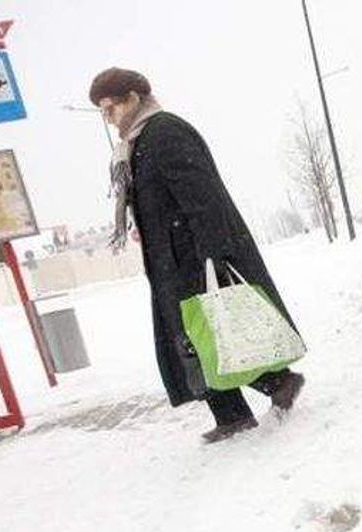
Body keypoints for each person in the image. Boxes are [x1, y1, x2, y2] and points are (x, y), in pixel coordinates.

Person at [89, 68, 305, 444]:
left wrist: (214, 253)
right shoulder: (138, 143)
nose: (108, 118)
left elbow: (203, 198)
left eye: (110, 108)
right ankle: (231, 414)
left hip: (191, 255)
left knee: (211, 331)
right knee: (193, 339)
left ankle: (280, 381)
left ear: (133, 99)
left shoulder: (164, 132)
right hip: (170, 259)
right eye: (102, 112)